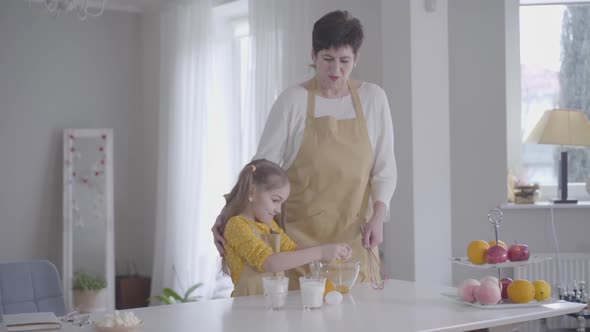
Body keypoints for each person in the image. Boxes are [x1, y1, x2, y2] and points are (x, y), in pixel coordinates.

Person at [213, 10, 396, 285]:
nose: (336, 70)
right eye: (327, 60)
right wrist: (228, 211)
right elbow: (260, 170)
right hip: (297, 249)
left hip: (355, 244)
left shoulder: (374, 99)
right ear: (313, 55)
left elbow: (385, 169)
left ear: (356, 59)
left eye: (345, 61)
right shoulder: (292, 102)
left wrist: (379, 217)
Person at [223, 159, 352, 296]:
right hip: (247, 307)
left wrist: (331, 249)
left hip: (272, 303)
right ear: (252, 192)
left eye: (281, 203)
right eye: (275, 200)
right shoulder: (236, 225)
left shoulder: (269, 225)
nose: (278, 210)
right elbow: (269, 262)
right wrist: (320, 252)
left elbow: (292, 250)